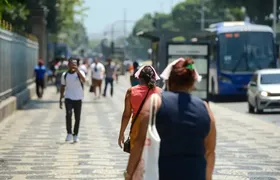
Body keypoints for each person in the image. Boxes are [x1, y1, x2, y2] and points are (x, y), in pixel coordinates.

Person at [124, 57, 216, 180]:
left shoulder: (156, 102)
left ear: (169, 80)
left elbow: (139, 144)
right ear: (192, 83)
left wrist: (128, 174)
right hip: (195, 174)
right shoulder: (205, 108)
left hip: (163, 174)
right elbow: (210, 151)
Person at [118, 65, 161, 151]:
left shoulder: (131, 91)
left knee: (137, 160)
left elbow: (126, 115)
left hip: (136, 132)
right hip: (154, 133)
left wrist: (121, 133)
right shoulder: (160, 92)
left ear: (139, 78)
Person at [59, 58, 86, 143]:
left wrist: (78, 71)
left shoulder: (80, 73)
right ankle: (69, 133)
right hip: (68, 98)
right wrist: (60, 99)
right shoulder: (65, 75)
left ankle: (75, 135)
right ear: (68, 65)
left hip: (78, 98)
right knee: (68, 114)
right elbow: (62, 87)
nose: (73, 65)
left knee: (77, 118)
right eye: (71, 63)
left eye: (75, 64)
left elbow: (84, 80)